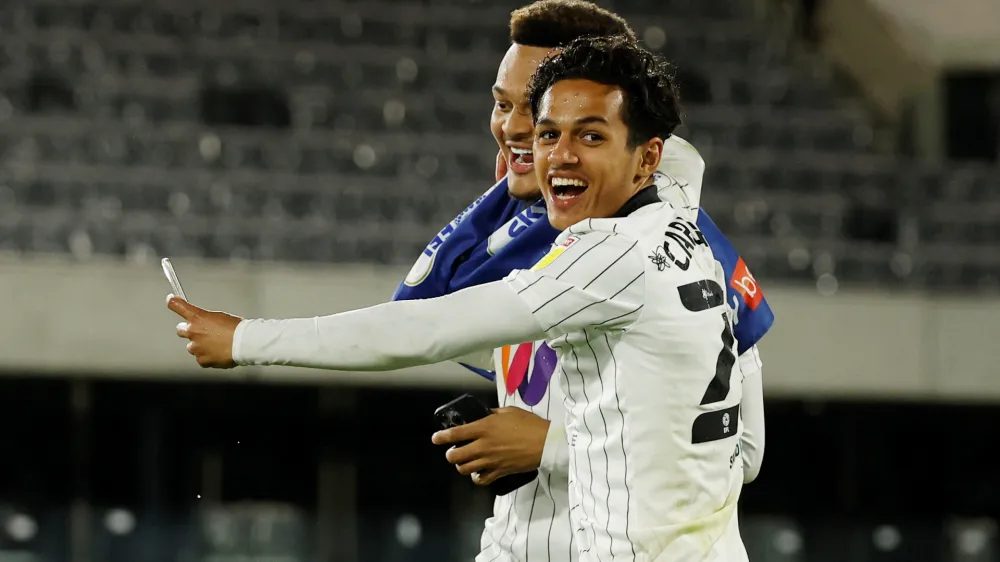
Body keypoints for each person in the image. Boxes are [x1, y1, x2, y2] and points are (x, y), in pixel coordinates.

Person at [170, 34, 755, 561]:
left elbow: (423, 329)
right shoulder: (678, 218)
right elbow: (678, 160)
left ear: (645, 154)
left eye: (591, 135)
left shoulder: (608, 257)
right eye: (543, 129)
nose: (558, 151)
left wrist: (246, 338)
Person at [391, 2, 771, 560]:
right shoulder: (517, 241)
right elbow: (413, 311)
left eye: (536, 107)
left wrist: (549, 446)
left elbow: (744, 448)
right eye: (503, 105)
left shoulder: (683, 249)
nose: (515, 126)